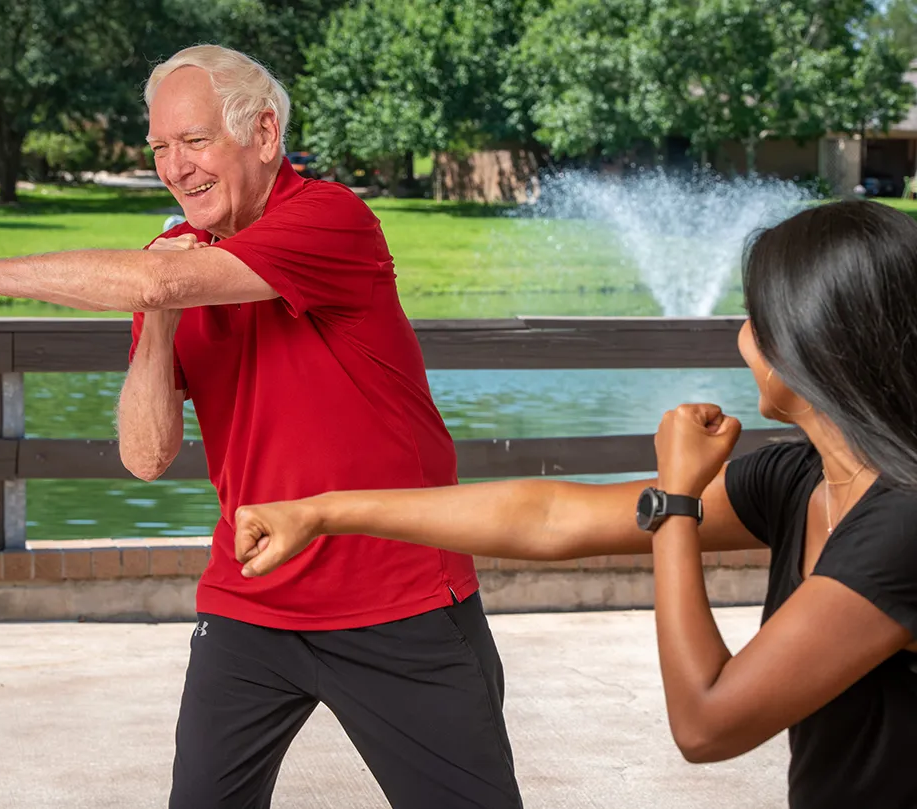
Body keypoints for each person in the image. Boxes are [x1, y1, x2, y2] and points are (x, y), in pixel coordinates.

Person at [0, 45, 523, 809]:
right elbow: (146, 454)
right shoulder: (176, 271)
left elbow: (162, 276)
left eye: (194, 142)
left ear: (262, 135)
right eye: (160, 147)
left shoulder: (330, 218)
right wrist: (156, 321)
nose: (174, 167)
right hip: (249, 600)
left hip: (396, 600)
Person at [232, 200, 917, 809]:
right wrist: (322, 512)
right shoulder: (807, 477)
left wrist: (676, 500)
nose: (743, 331)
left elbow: (708, 722)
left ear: (812, 340)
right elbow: (550, 515)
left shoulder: (902, 522)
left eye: (758, 313)